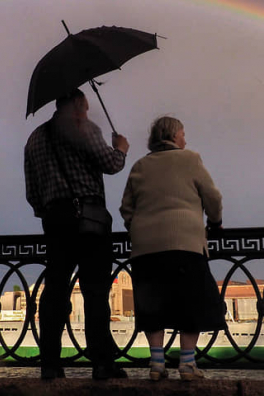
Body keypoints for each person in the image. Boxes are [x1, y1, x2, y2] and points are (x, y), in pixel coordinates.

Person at [24, 88, 130, 380]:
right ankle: (102, 363)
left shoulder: (34, 139)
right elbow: (111, 165)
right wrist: (120, 147)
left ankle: (50, 364)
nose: (87, 112)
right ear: (77, 105)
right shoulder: (84, 128)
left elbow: (32, 193)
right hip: (90, 222)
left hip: (54, 222)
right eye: (85, 107)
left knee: (55, 291)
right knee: (95, 291)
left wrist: (50, 211)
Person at [119, 116, 226, 381]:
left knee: (153, 305)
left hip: (146, 248)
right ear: (174, 136)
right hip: (185, 244)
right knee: (192, 302)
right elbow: (213, 196)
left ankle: (157, 365)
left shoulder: (140, 166)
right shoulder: (190, 159)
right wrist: (215, 222)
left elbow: (126, 208)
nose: (185, 139)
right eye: (183, 134)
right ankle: (187, 365)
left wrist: (139, 228)